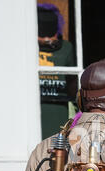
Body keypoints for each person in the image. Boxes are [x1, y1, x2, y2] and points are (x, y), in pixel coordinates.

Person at [37, 3, 77, 139]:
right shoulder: (27, 46)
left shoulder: (66, 48)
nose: (48, 40)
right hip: (34, 112)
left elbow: (73, 84)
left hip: (58, 112)